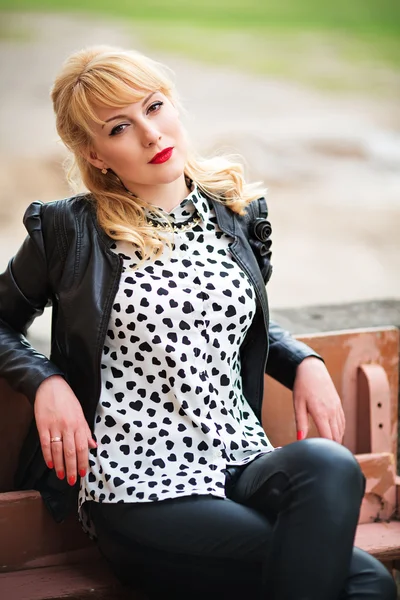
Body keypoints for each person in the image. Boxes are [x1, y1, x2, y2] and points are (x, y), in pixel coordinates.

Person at [0, 45, 396, 600]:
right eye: (120, 127)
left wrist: (301, 358)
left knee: (331, 466)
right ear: (96, 154)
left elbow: (228, 318)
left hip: (239, 458)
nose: (150, 134)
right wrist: (46, 380)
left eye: (154, 107)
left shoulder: (236, 213)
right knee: (367, 583)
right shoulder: (69, 232)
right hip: (140, 486)